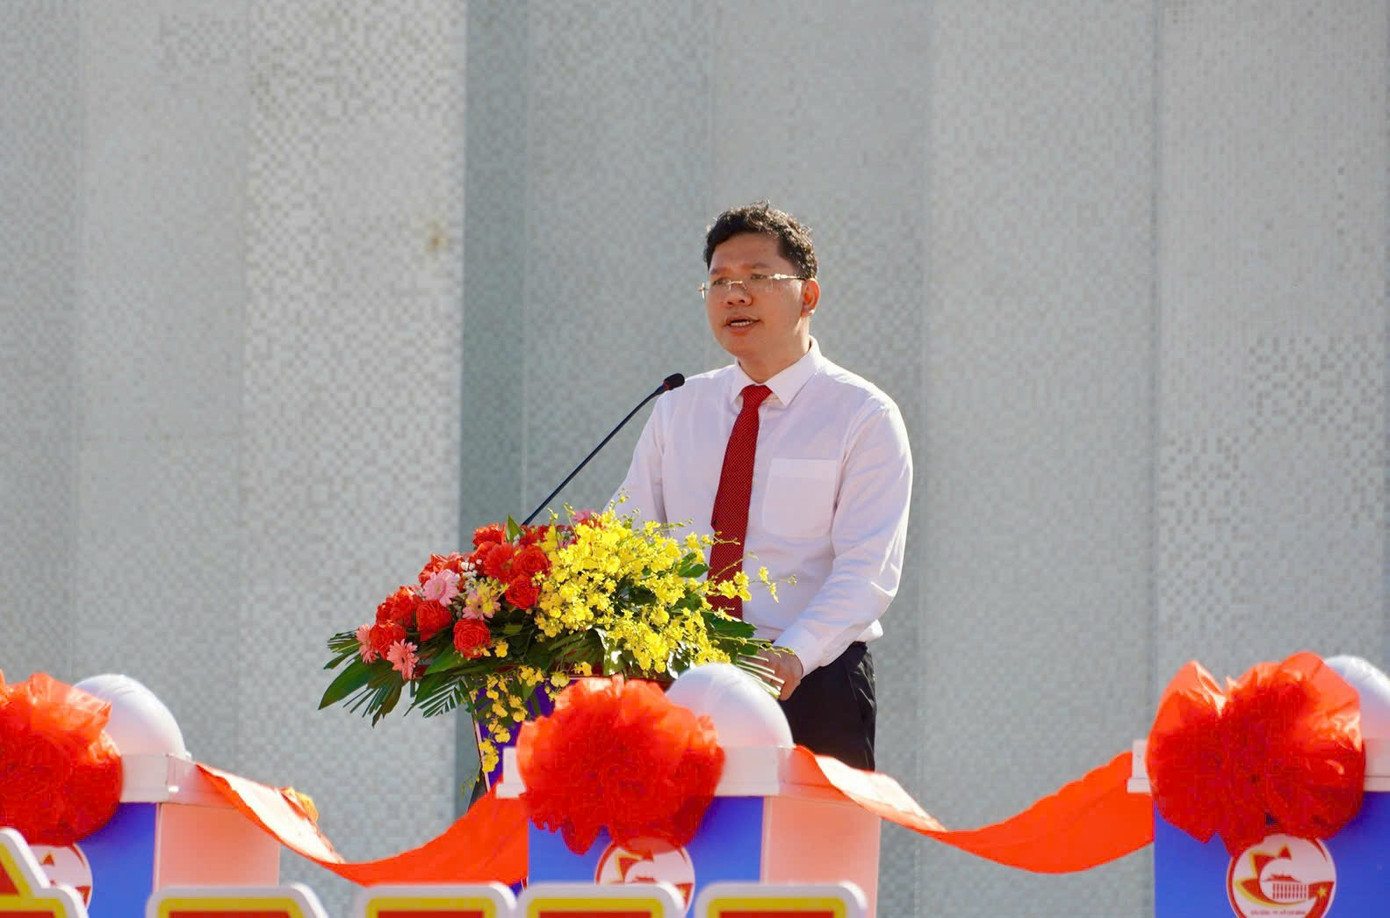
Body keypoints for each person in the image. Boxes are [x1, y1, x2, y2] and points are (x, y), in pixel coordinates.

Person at [616, 202, 912, 770]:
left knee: (809, 833)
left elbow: (867, 570)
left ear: (808, 296)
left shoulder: (863, 415)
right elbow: (629, 535)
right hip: (681, 687)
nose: (735, 295)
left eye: (757, 277)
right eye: (719, 281)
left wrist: (791, 656)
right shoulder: (679, 407)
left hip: (811, 683)